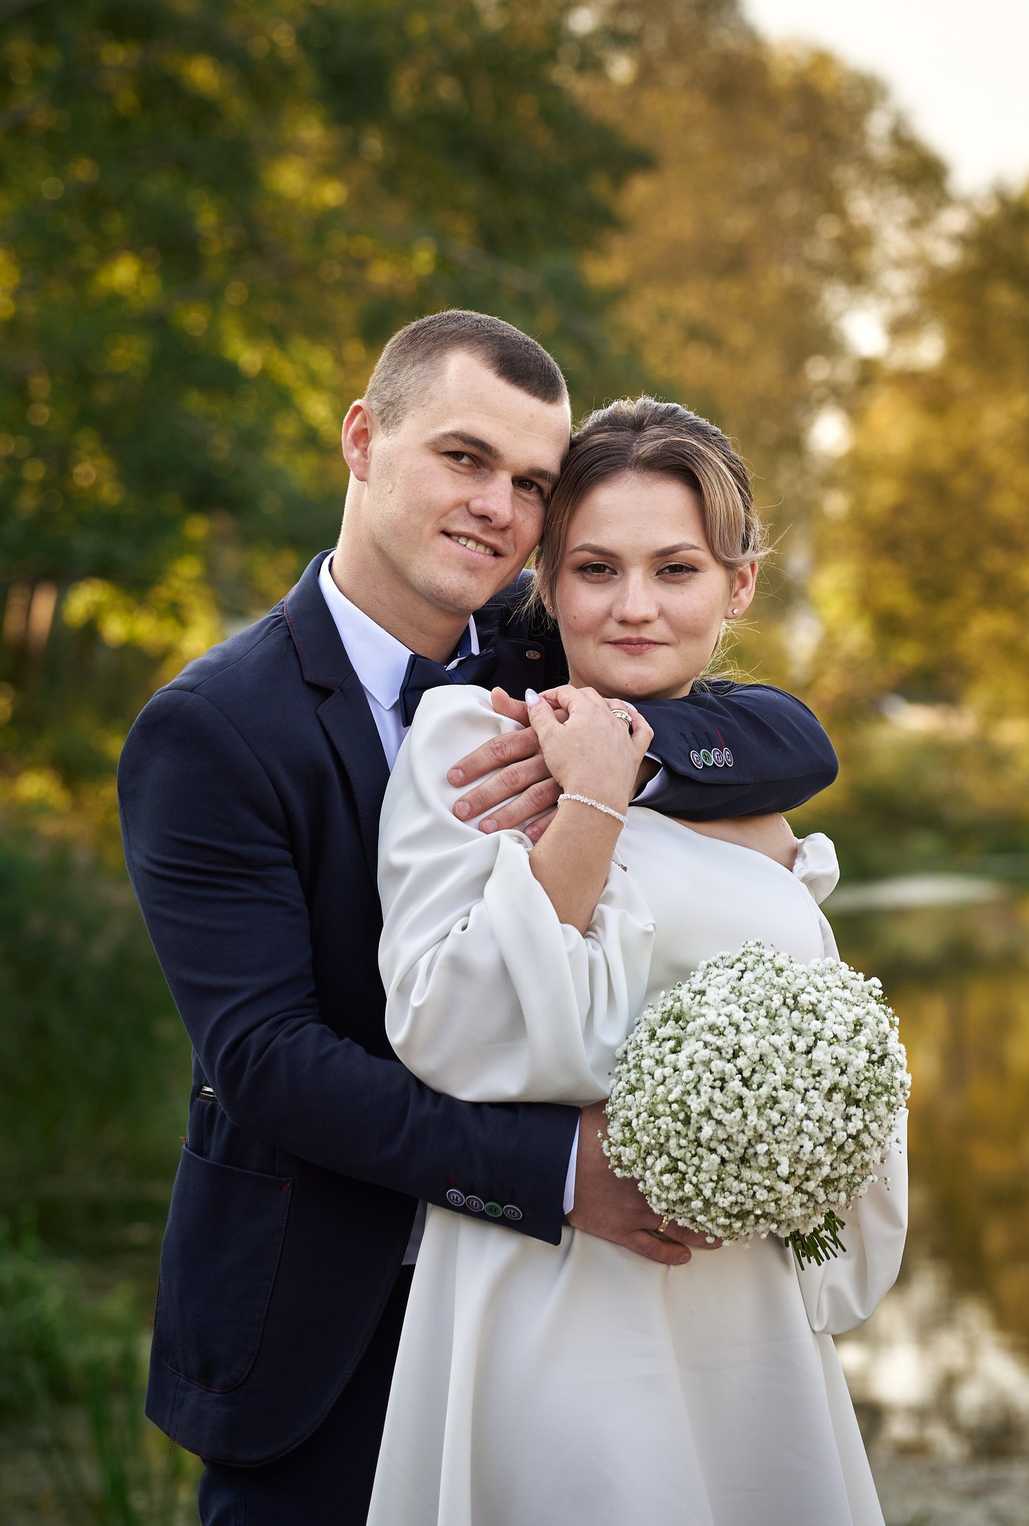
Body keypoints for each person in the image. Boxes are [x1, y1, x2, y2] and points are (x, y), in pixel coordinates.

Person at [116, 313, 841, 1524]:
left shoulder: (537, 644)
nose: (497, 507)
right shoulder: (213, 726)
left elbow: (784, 731)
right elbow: (266, 1059)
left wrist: (624, 775)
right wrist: (561, 1171)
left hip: (557, 1316)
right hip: (325, 1316)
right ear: (363, 438)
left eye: (531, 484)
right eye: (464, 458)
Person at [364, 397, 907, 1526]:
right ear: (547, 583)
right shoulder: (476, 740)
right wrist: (591, 801)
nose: (635, 606)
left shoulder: (749, 779)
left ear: (737, 585)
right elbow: (458, 1031)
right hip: (549, 1292)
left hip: (739, 1288)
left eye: (676, 568)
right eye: (596, 568)